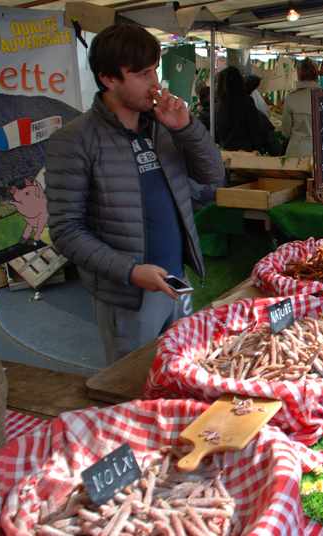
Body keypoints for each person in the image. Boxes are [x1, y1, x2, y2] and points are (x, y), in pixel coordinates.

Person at [45, 24, 224, 365]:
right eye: (142, 74)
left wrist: (186, 128)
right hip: (128, 294)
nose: (155, 83)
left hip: (177, 278)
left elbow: (213, 177)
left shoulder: (161, 125)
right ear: (108, 79)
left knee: (186, 366)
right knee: (133, 380)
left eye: (155, 69)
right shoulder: (74, 140)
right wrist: (131, 271)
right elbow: (66, 231)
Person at [215, 66, 279, 155]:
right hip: (246, 151)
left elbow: (218, 131)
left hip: (227, 151)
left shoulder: (220, 104)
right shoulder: (246, 101)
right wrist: (258, 148)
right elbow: (254, 127)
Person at [281, 58, 318, 158]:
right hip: (320, 151)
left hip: (296, 151)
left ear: (299, 75)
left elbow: (285, 131)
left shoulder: (291, 98)